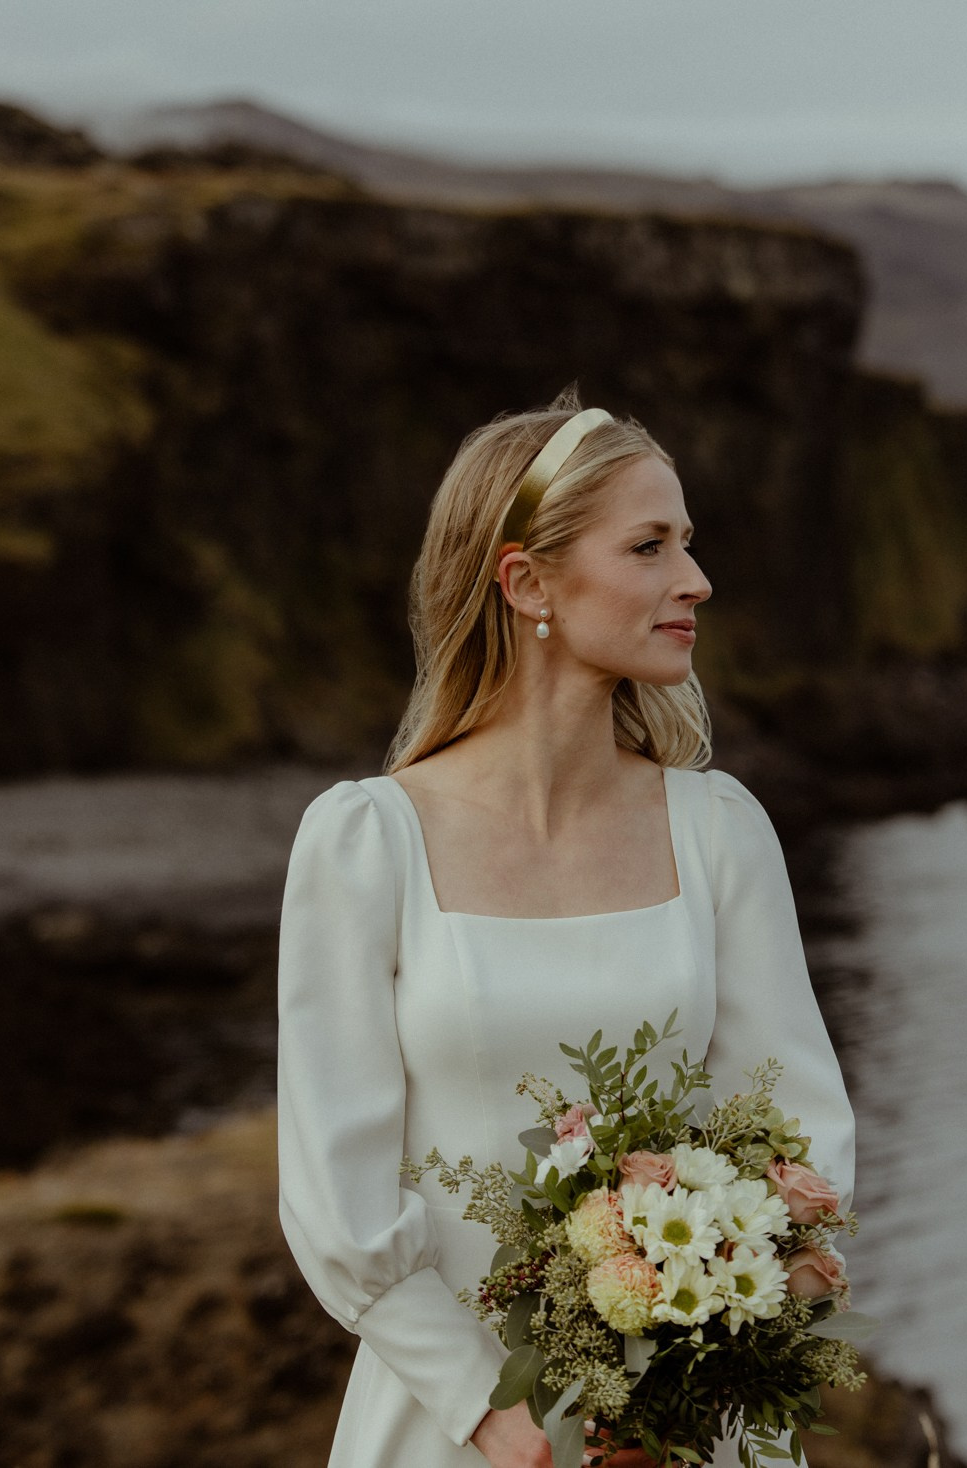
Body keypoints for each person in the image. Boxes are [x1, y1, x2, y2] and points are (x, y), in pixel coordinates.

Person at [275, 389, 860, 1467]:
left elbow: (800, 1133)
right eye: (649, 545)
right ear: (526, 580)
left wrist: (688, 1377)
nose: (695, 580)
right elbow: (334, 1196)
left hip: (684, 1429)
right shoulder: (366, 845)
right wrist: (487, 1412)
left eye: (687, 543)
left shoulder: (718, 829)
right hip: (451, 1426)